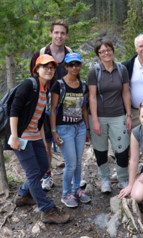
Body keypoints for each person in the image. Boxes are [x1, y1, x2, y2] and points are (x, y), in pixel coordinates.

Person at [7, 54, 70, 224]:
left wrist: (42, 139)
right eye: (45, 67)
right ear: (37, 69)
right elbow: (15, 109)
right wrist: (14, 136)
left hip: (35, 136)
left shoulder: (45, 89)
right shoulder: (29, 84)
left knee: (43, 167)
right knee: (33, 173)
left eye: (52, 67)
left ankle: (21, 195)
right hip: (21, 137)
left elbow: (40, 118)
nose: (49, 70)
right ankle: (47, 210)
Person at [29, 19, 76, 191]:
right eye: (56, 32)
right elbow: (34, 79)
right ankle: (47, 175)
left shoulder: (70, 53)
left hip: (65, 103)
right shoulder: (40, 54)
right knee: (45, 142)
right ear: (50, 33)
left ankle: (71, 174)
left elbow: (75, 76)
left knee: (67, 138)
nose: (59, 36)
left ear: (66, 35)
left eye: (62, 33)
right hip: (43, 103)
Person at [88, 38, 132, 193]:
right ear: (98, 55)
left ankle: (122, 178)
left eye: (108, 50)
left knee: (122, 148)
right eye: (102, 51)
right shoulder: (95, 71)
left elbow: (126, 93)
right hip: (99, 116)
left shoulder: (122, 70)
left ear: (113, 50)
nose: (106, 53)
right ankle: (105, 178)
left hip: (118, 115)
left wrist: (128, 115)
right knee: (100, 149)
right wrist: (94, 120)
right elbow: (92, 96)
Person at [50, 52, 91, 208]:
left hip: (79, 127)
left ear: (80, 66)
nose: (74, 67)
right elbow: (53, 109)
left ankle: (77, 190)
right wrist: (54, 132)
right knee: (71, 164)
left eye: (77, 64)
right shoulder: (58, 85)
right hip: (63, 128)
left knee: (78, 163)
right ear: (65, 66)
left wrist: (87, 129)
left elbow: (84, 109)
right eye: (71, 64)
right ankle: (66, 194)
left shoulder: (83, 85)